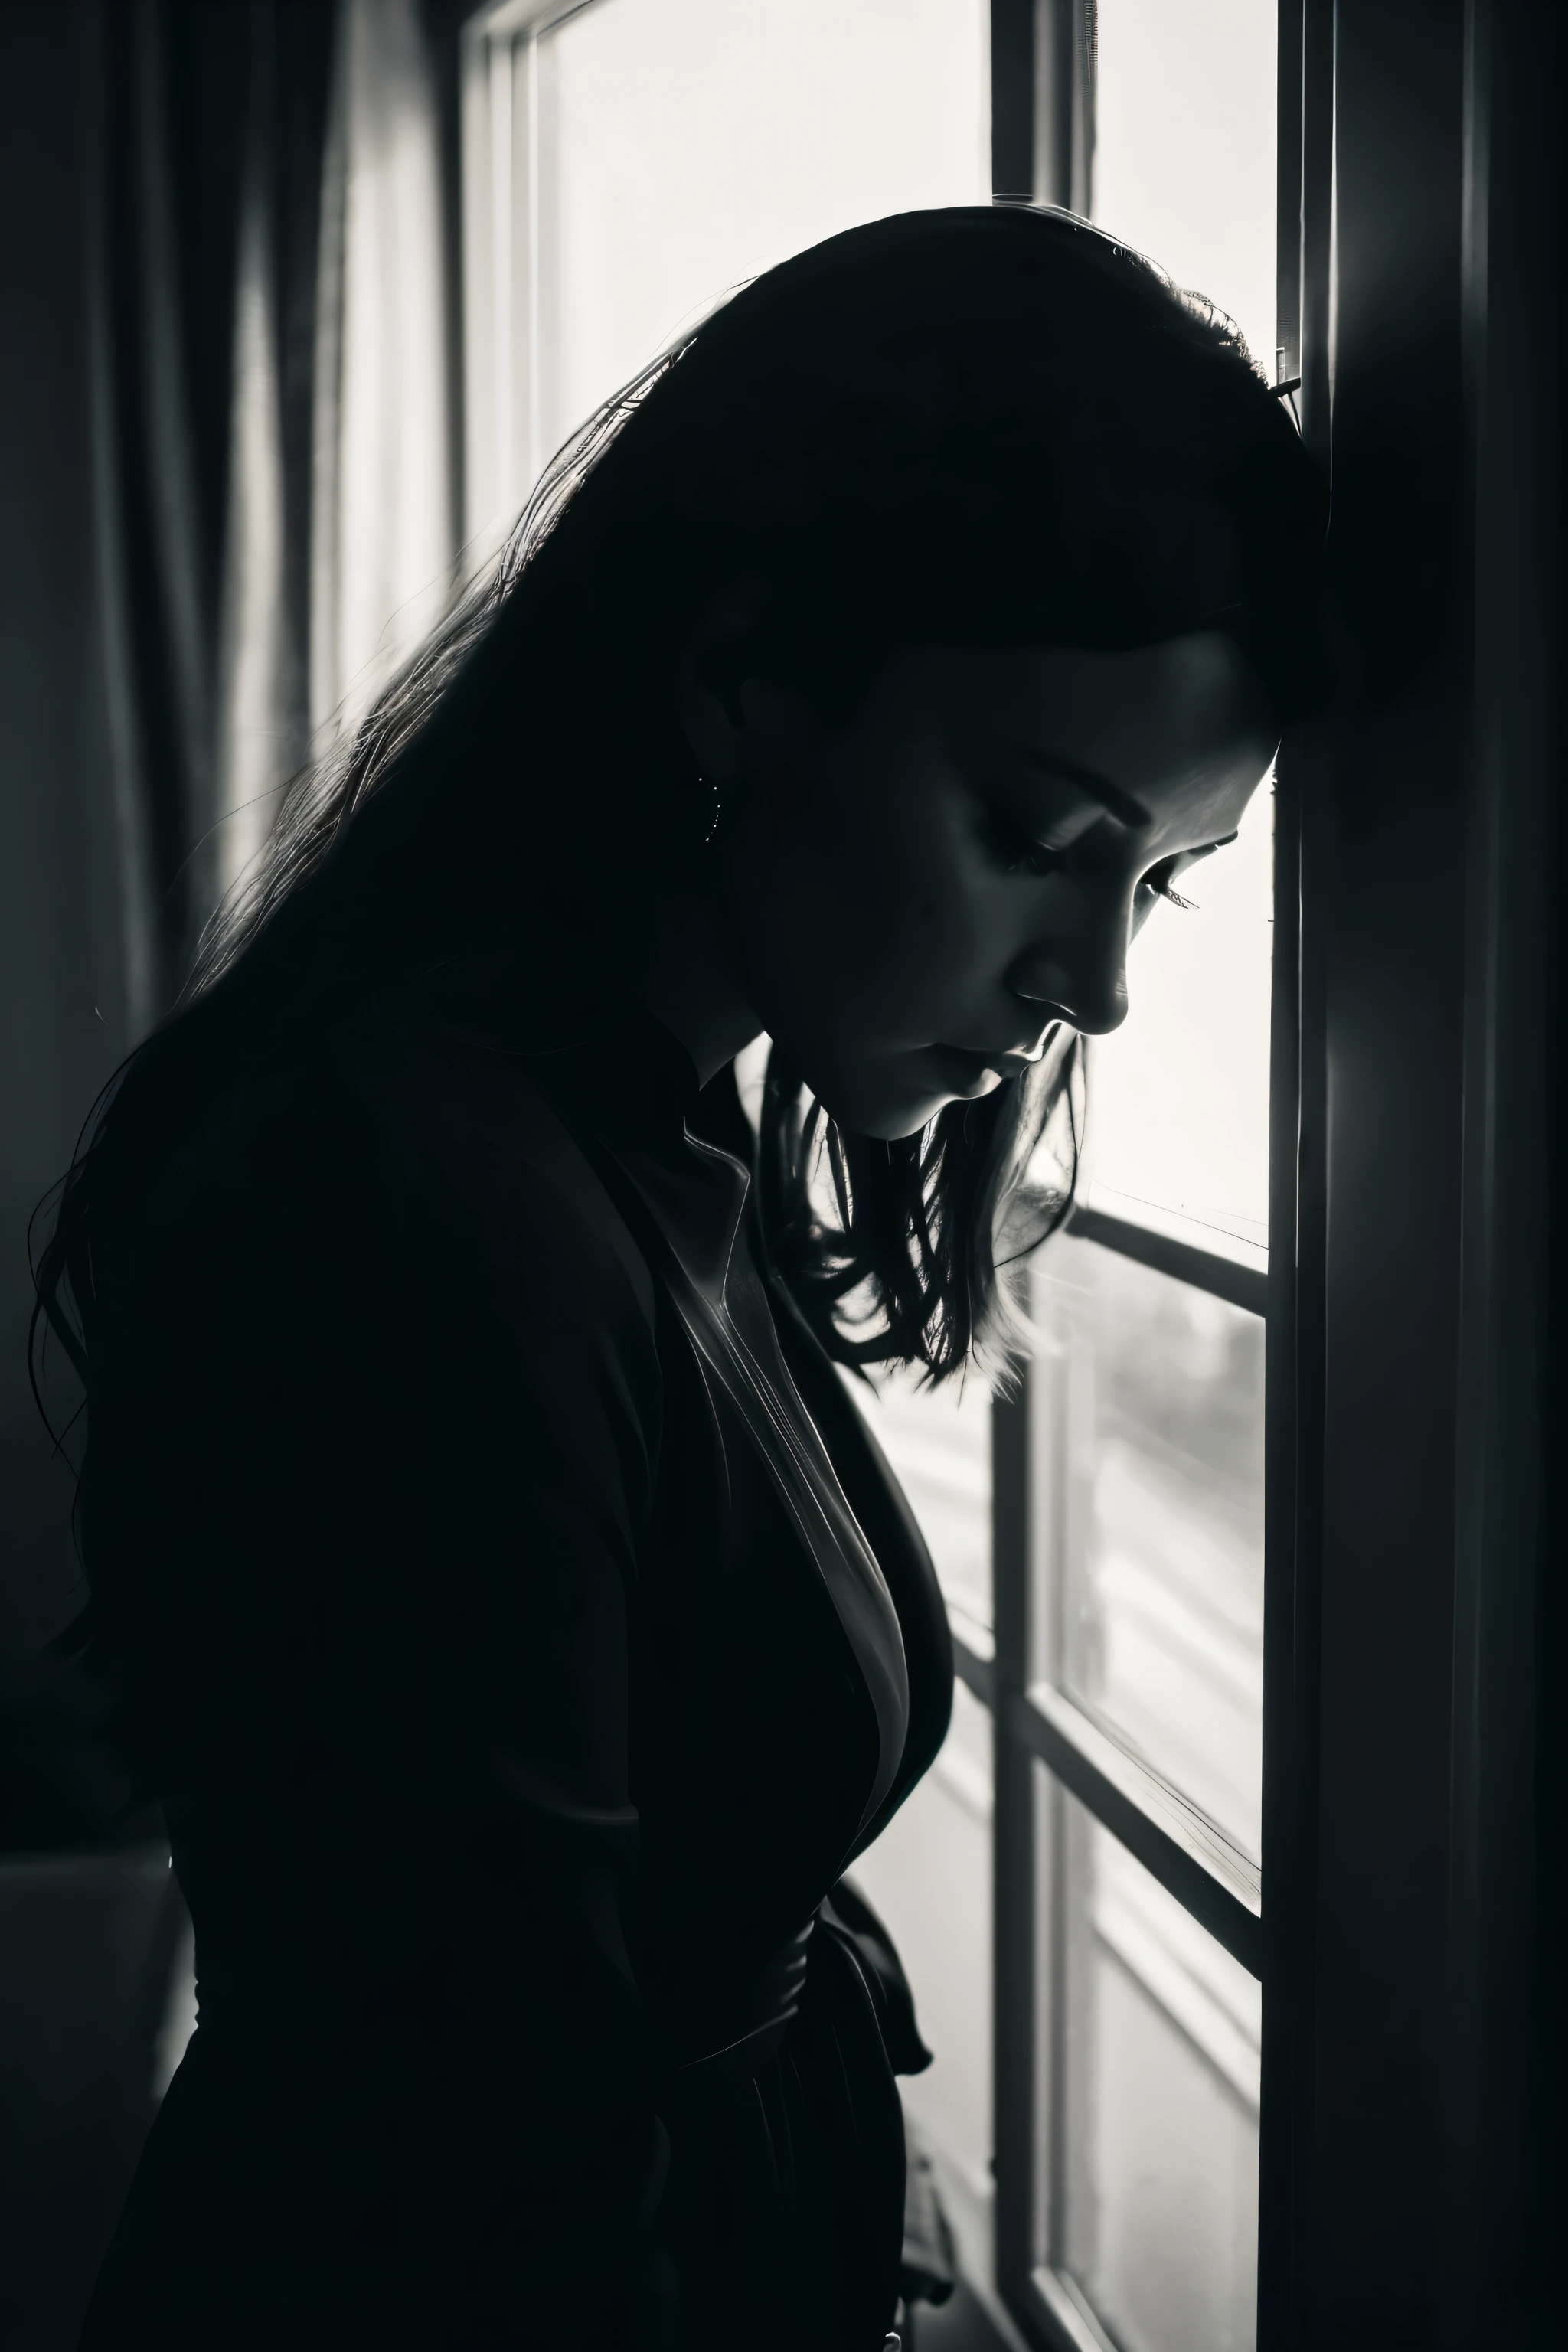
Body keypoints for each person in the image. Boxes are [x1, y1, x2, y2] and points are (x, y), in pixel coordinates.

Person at [31, 205, 1325, 2350]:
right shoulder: (417, 1199)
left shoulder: (633, 1107)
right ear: (743, 681)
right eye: (1039, 828)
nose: (1091, 985)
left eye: (1159, 887)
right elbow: (476, 2193)